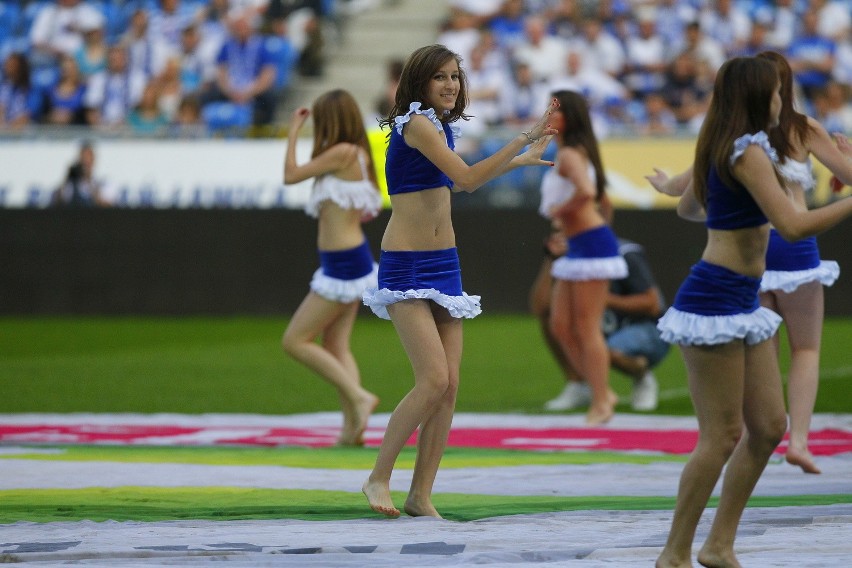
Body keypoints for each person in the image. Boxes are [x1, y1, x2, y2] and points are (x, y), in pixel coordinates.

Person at [649, 56, 852, 568]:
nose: (782, 100)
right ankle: (674, 552)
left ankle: (719, 545)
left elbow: (688, 208)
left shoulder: (727, 146)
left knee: (766, 426)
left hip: (738, 295)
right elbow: (794, 226)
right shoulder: (747, 151)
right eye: (776, 92)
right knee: (721, 436)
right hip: (715, 298)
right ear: (761, 97)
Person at [361, 44, 558, 518]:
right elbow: (467, 180)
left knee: (449, 387)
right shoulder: (417, 123)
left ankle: (420, 494)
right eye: (440, 77)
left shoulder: (438, 126)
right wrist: (521, 137)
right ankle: (378, 477)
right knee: (432, 380)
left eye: (455, 76)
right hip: (407, 265)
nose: (451, 84)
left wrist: (518, 161)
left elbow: (454, 181)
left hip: (444, 263)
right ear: (419, 83)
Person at [756, 50, 852, 474]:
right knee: (806, 349)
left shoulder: (734, 132)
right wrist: (846, 155)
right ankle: (798, 441)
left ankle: (762, 437)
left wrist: (667, 185)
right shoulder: (803, 128)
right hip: (796, 246)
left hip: (753, 247)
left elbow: (688, 184)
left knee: (763, 355)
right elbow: (847, 177)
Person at [281, 89, 382, 448]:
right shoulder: (356, 154)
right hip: (348, 258)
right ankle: (352, 427)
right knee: (337, 345)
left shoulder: (341, 153)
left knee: (294, 340)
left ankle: (358, 397)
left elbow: (290, 175)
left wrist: (294, 129)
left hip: (342, 264)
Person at [539, 89, 627, 425]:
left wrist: (562, 212)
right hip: (579, 245)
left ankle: (602, 401)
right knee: (561, 325)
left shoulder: (571, 155)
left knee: (586, 326)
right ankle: (600, 389)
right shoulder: (569, 152)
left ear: (569, 118)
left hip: (591, 245)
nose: (548, 116)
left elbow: (589, 195)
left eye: (554, 112)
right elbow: (604, 202)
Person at [536, 230, 669, 413]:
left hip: (645, 327)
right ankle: (579, 384)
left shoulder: (623, 252)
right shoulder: (570, 257)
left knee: (603, 348)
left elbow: (652, 304)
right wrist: (551, 260)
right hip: (602, 325)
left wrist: (600, 297)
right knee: (555, 324)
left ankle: (642, 376)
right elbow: (541, 308)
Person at [51, 140, 111, 207]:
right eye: (83, 158)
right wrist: (67, 178)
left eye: (89, 158)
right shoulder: (72, 184)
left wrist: (89, 182)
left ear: (93, 160)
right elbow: (57, 201)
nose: (86, 162)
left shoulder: (101, 182)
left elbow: (106, 205)